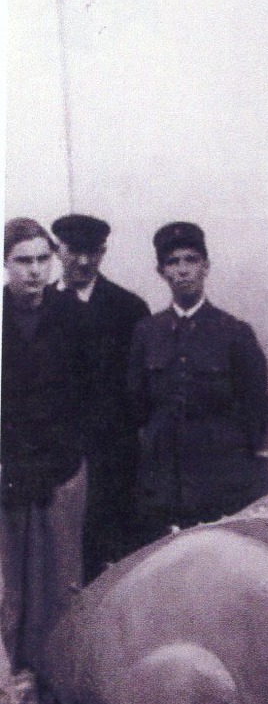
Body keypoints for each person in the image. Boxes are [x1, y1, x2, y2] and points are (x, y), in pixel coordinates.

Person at [128, 222, 268, 543]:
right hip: (163, 487)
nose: (183, 270)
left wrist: (229, 457)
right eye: (173, 262)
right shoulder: (147, 333)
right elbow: (136, 405)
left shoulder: (234, 333)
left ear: (206, 267)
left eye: (191, 260)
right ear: (161, 271)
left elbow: (256, 411)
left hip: (220, 484)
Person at [1, 218, 93, 672]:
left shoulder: (72, 316)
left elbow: (90, 397)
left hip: (62, 469)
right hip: (8, 473)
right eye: (23, 260)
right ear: (5, 264)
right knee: (8, 590)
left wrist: (63, 457)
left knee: (59, 586)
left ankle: (56, 686)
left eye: (42, 259)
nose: (34, 270)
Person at [50, 214, 151, 579]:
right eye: (74, 251)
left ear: (103, 252)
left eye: (92, 252)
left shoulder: (129, 308)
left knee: (107, 556)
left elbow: (140, 391)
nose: (82, 261)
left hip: (112, 456)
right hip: (55, 457)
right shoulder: (39, 306)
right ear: (58, 250)